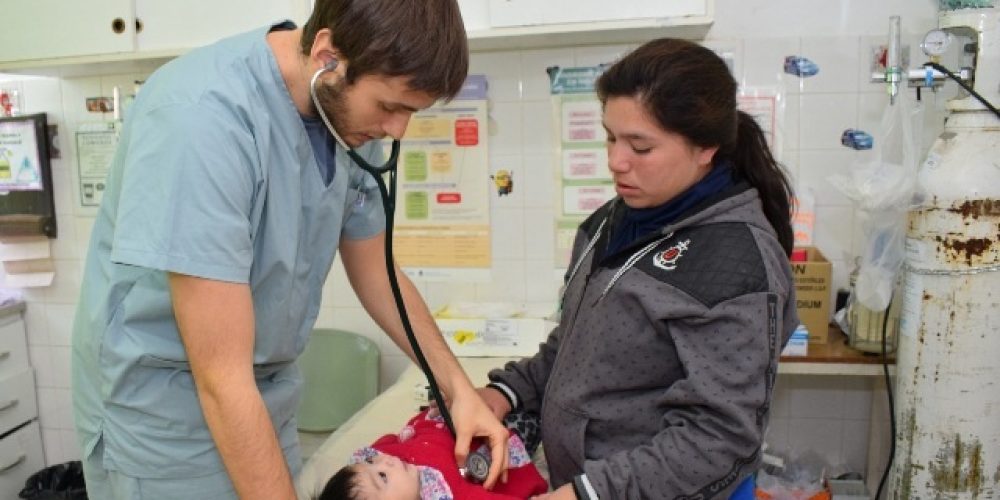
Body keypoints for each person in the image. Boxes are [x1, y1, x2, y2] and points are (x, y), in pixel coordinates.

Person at [70, 1, 509, 498]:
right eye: (390, 107)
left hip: (264, 397)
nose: (398, 129)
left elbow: (378, 273)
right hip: (167, 420)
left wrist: (458, 391)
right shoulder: (202, 122)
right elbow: (221, 377)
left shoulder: (338, 109)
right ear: (327, 56)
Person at [480, 38, 799, 499]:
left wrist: (587, 494)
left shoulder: (736, 263)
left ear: (705, 147)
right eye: (611, 136)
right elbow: (574, 347)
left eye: (640, 146)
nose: (615, 161)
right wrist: (506, 393)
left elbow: (718, 437)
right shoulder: (612, 220)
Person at [318, 410, 548, 500]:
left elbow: (393, 440)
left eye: (369, 462)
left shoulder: (387, 455)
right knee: (539, 418)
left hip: (466, 418)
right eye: (383, 477)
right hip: (501, 448)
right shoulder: (445, 492)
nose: (385, 461)